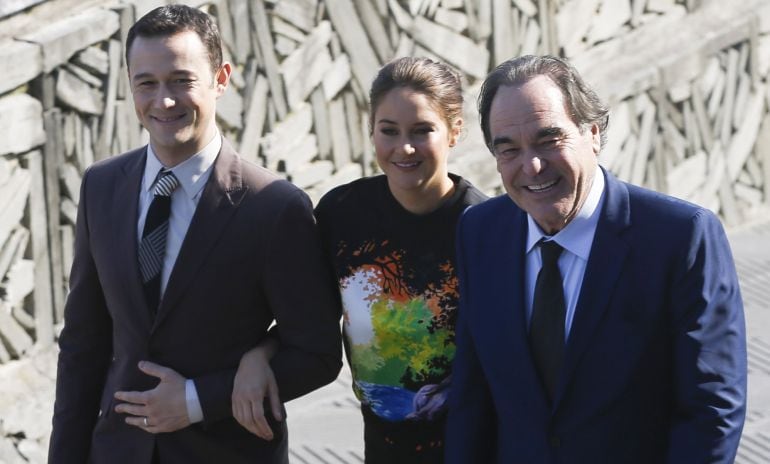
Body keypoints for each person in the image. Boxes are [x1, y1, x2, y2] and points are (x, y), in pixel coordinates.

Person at [48, 5, 341, 464]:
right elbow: (83, 344)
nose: (163, 101)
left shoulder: (275, 206)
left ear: (221, 78)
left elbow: (318, 352)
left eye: (181, 80)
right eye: (147, 82)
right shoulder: (101, 186)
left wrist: (199, 399)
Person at [444, 54, 747, 463]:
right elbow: (471, 393)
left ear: (593, 133)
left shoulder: (680, 237)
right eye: (509, 150)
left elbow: (712, 409)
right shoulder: (479, 232)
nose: (531, 166)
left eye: (548, 140)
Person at [232, 57, 487, 463]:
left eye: (422, 131)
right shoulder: (342, 213)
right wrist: (259, 353)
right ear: (371, 131)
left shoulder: (485, 227)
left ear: (455, 132)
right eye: (389, 130)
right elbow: (314, 314)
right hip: (382, 448)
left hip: (473, 448)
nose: (404, 147)